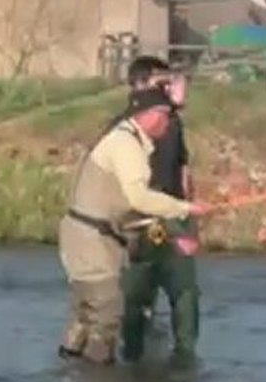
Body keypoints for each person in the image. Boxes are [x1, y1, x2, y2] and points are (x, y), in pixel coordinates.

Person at [57, 86, 211, 366]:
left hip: (89, 236)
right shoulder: (126, 145)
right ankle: (100, 380)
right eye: (166, 116)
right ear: (151, 115)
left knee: (86, 314)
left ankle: (70, 375)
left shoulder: (124, 138)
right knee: (107, 312)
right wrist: (185, 209)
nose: (169, 123)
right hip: (94, 239)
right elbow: (138, 198)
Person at [117, 56, 200, 368]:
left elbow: (183, 169)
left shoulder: (173, 123)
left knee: (186, 291)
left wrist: (190, 221)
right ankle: (132, 359)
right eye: (161, 82)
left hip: (174, 217)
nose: (168, 87)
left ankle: (185, 360)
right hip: (140, 222)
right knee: (137, 296)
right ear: (140, 85)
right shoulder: (124, 128)